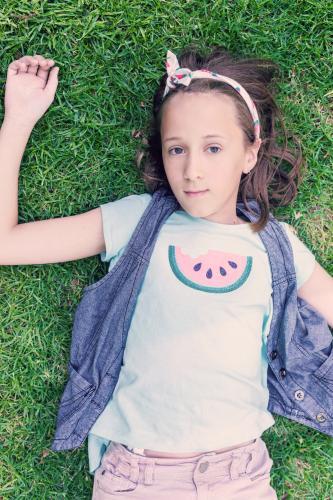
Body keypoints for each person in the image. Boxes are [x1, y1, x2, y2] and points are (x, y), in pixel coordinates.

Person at [0, 46, 332, 499]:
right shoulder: (137, 222)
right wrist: (18, 121)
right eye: (178, 149)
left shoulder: (278, 247)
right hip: (136, 478)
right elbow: (7, 243)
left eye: (213, 148)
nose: (192, 170)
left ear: (250, 152)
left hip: (239, 478)